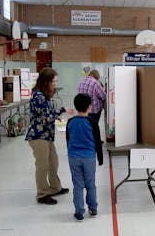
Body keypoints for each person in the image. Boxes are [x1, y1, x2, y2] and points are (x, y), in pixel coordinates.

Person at [25, 67, 74, 205]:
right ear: (46, 81)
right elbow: (46, 117)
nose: (55, 84)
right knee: (42, 165)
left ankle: (54, 187)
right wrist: (63, 110)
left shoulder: (44, 94)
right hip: (38, 136)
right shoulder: (38, 96)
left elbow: (47, 114)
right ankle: (42, 194)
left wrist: (55, 117)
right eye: (54, 81)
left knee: (53, 162)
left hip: (46, 135)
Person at [66, 93, 103, 221]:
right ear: (89, 107)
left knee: (78, 185)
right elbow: (98, 141)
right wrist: (101, 158)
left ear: (76, 107)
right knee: (90, 184)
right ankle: (93, 208)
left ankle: (79, 211)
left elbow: (68, 139)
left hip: (73, 157)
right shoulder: (92, 122)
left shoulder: (70, 122)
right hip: (89, 157)